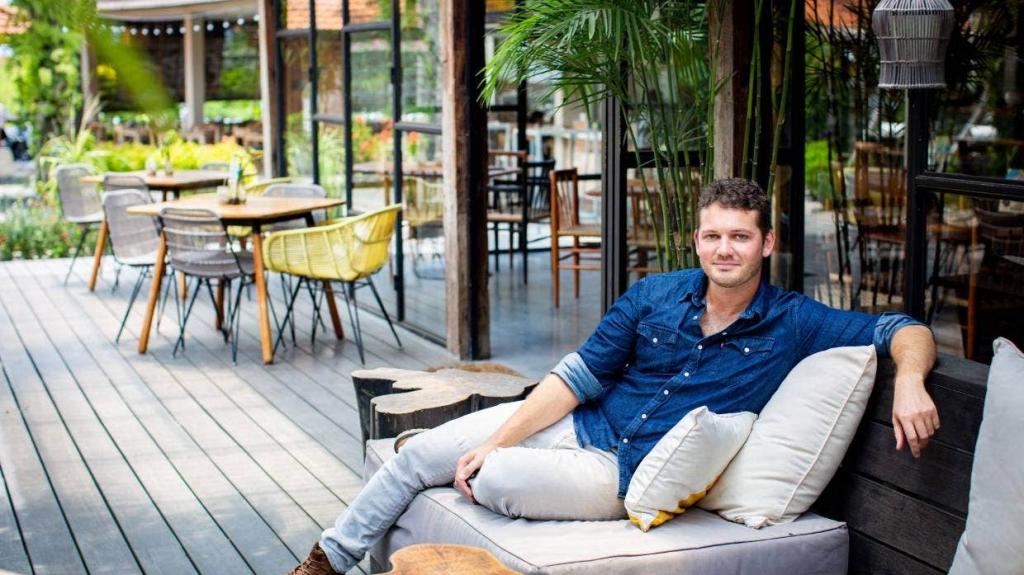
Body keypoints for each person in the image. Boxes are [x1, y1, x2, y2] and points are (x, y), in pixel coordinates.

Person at [289, 178, 939, 575]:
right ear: (696, 240)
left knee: (496, 476)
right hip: (581, 423)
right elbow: (576, 377)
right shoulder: (654, 294)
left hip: (620, 477)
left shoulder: (795, 321)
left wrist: (910, 380)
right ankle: (326, 560)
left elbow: (903, 328)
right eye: (713, 236)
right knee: (419, 455)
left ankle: (480, 466)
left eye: (740, 237)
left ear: (766, 244)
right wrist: (495, 437)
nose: (725, 249)